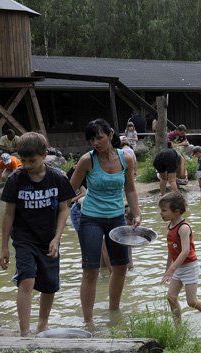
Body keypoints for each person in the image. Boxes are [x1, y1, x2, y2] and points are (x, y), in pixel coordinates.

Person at [0, 132, 75, 335]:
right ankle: (24, 332)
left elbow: (63, 209)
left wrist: (57, 239)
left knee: (49, 285)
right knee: (27, 279)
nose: (27, 164)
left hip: (49, 238)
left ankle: (42, 324)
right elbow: (8, 215)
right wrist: (4, 246)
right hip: (24, 238)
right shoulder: (16, 179)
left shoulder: (57, 177)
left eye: (32, 160)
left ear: (44, 155)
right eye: (23, 160)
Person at [69, 119, 141, 324]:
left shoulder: (126, 158)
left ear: (110, 135)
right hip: (91, 218)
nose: (95, 143)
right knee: (90, 269)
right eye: (91, 139)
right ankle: (88, 321)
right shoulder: (87, 160)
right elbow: (70, 189)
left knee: (120, 266)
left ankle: (113, 313)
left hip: (117, 217)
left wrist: (136, 214)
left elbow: (130, 189)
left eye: (99, 137)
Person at [158, 192, 201, 325]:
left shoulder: (183, 228)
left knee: (191, 302)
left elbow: (185, 251)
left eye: (164, 210)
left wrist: (172, 269)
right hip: (178, 267)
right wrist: (168, 269)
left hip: (189, 267)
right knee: (171, 297)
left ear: (177, 211)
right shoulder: (169, 226)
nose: (161, 213)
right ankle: (178, 327)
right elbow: (171, 250)